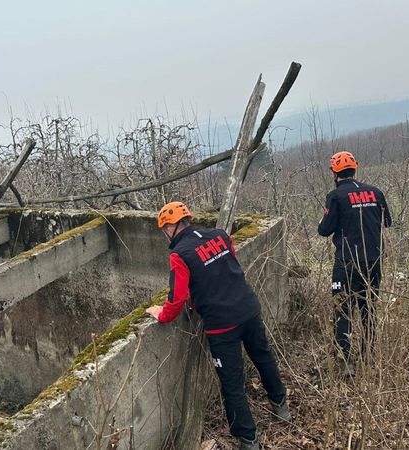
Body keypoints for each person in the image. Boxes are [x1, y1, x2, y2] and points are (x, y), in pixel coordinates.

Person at [146, 201, 290, 450]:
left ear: (171, 227)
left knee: (232, 382)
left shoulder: (179, 254)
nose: (165, 234)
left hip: (222, 326)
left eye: (164, 229)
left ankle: (248, 439)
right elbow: (226, 267)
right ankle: (281, 406)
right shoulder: (220, 235)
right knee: (263, 357)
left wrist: (161, 314)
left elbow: (176, 298)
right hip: (249, 308)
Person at [318, 151, 391, 376]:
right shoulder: (376, 192)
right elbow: (386, 221)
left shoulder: (336, 196)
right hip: (374, 261)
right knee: (369, 309)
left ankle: (345, 362)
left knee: (343, 310)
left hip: (347, 263)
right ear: (355, 169)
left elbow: (324, 230)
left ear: (334, 172)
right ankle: (368, 356)